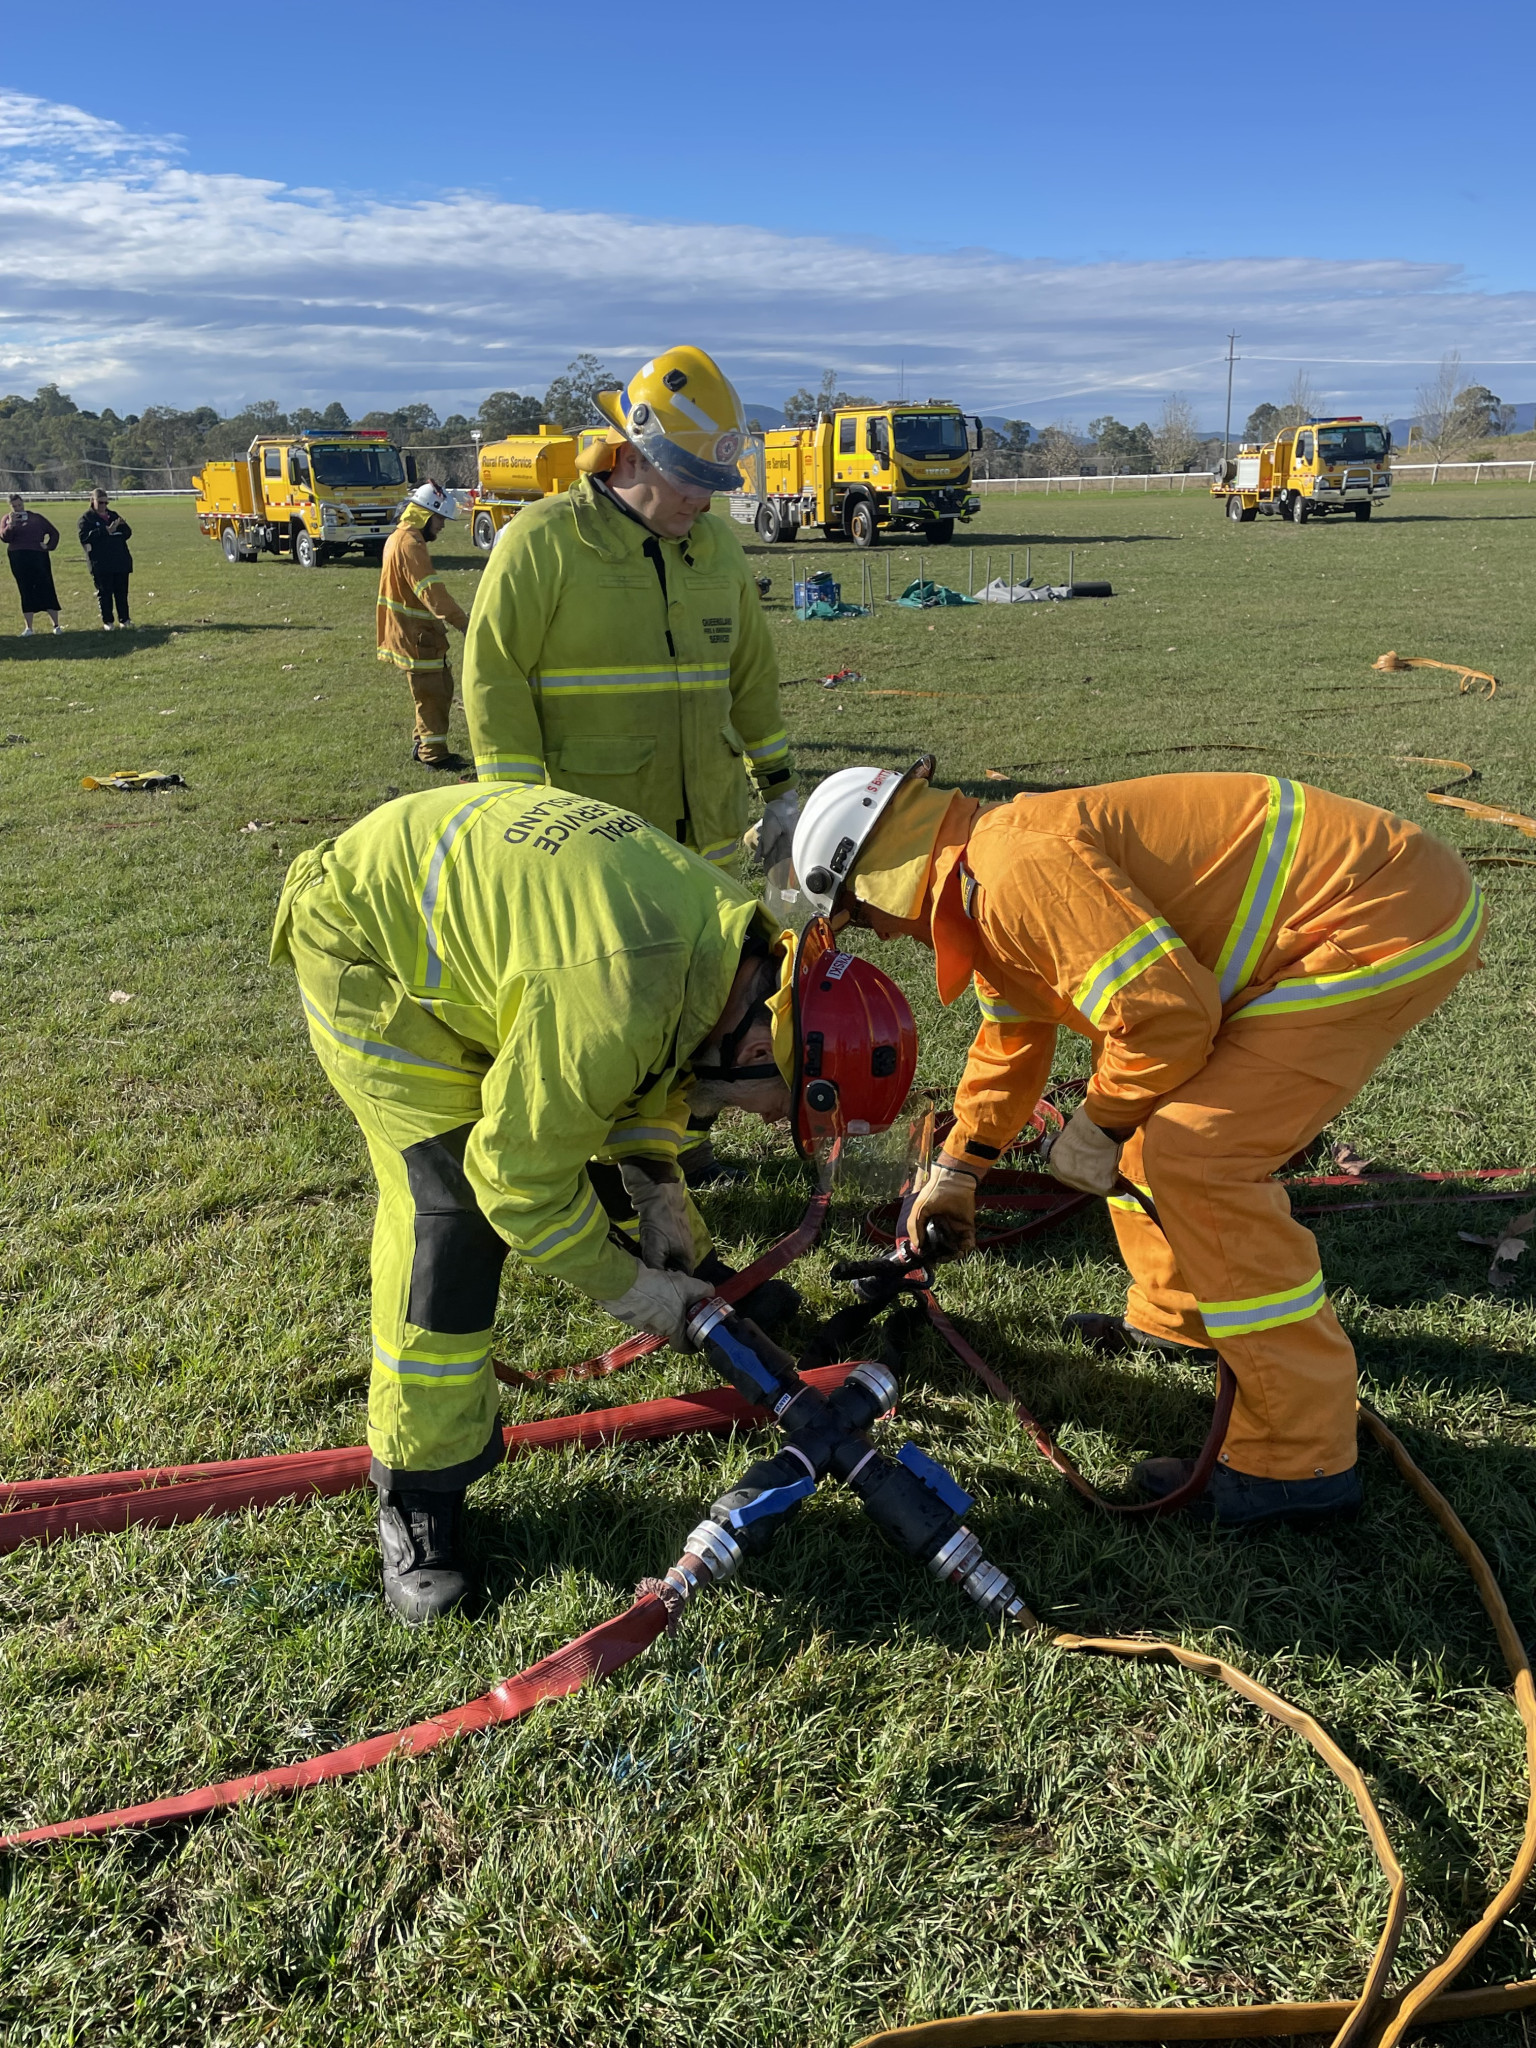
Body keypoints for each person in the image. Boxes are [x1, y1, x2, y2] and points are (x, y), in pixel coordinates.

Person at [271, 780, 907, 1622]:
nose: (761, 1123)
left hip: (477, 911)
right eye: (775, 1108)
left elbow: (670, 1044)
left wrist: (658, 1181)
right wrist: (638, 1294)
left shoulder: (740, 946)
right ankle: (418, 1490)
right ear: (762, 1042)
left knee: (557, 1116)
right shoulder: (615, 990)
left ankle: (696, 1283)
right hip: (363, 944)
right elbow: (518, 1182)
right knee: (453, 1208)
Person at [791, 761, 1486, 1530]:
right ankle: (1176, 1320)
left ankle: (1298, 1462)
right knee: (1152, 1128)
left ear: (878, 881)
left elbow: (1167, 1020)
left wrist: (1099, 1126)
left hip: (1384, 916)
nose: (883, 935)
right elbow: (1011, 1040)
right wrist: (960, 1168)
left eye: (862, 916)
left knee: (1197, 1153)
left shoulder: (1014, 870)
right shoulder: (983, 881)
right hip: (1357, 909)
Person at [462, 346, 799, 1185]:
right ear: (634, 453)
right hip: (593, 841)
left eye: (716, 485)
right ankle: (586, 1157)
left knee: (710, 998)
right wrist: (518, 820)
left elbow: (749, 676)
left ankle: (680, 1151)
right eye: (689, 479)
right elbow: (493, 680)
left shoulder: (717, 550)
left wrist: (783, 789)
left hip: (711, 835)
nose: (703, 500)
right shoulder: (541, 543)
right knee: (606, 1003)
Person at [376, 480, 471, 770]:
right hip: (417, 636)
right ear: (426, 515)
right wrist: (466, 624)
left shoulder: (401, 537)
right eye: (440, 519)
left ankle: (423, 743)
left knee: (436, 687)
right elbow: (433, 594)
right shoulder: (410, 544)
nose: (442, 526)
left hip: (412, 633)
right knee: (432, 693)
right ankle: (434, 755)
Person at [0, 493, 61, 634]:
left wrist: (48, 546)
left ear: (23, 503)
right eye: (14, 506)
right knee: (25, 588)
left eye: (19, 505)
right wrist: (11, 525)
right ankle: (29, 627)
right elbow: (5, 538)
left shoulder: (36, 518)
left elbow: (54, 533)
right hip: (18, 556)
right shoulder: (7, 519)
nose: (17, 509)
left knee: (46, 586)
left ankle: (56, 625)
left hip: (38, 555)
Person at [77, 490, 133, 629]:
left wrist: (119, 528)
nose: (104, 505)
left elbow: (127, 532)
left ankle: (124, 620)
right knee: (105, 593)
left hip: (119, 560)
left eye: (106, 502)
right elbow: (85, 538)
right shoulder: (86, 519)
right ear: (93, 501)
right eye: (100, 502)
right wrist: (105, 531)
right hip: (101, 563)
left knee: (121, 592)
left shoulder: (113, 515)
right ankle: (108, 621)